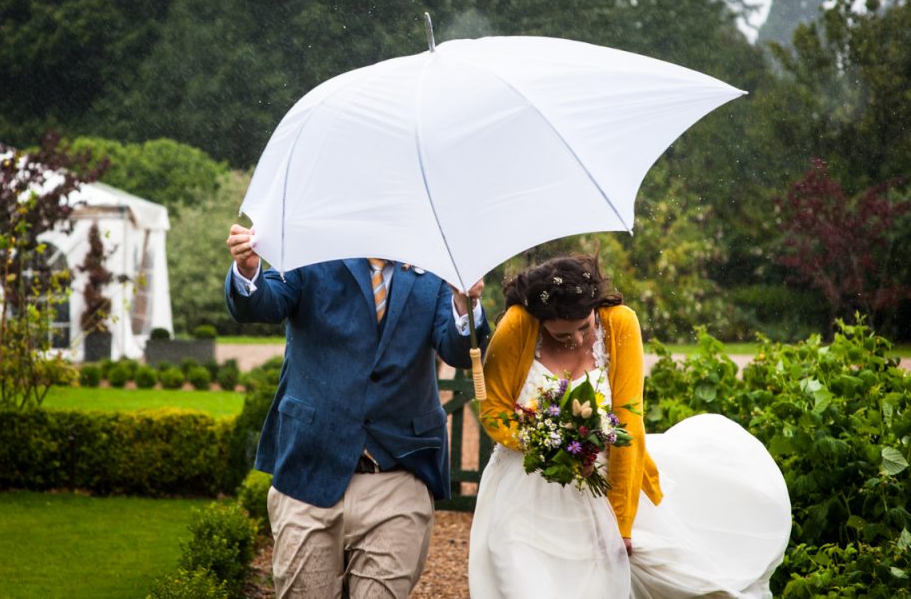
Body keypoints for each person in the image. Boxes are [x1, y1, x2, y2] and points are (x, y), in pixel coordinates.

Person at [469, 254, 792, 598]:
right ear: (542, 320)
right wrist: (548, 441)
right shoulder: (519, 323)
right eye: (564, 334)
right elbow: (493, 410)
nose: (578, 341)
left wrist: (621, 522)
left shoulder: (620, 324)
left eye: (585, 327)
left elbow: (628, 422)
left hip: (601, 485)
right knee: (521, 582)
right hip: (523, 492)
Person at [225, 224, 489, 598]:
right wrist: (249, 270)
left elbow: (458, 350)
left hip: (399, 473)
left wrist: (466, 305)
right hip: (309, 468)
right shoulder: (312, 251)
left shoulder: (437, 265)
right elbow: (262, 303)